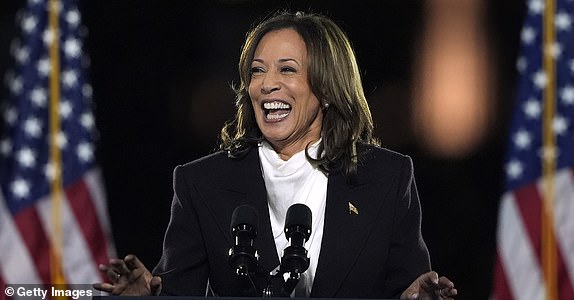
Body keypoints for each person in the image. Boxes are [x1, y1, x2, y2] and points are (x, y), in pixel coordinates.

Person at [94, 10, 457, 299]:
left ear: (327, 88)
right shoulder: (201, 182)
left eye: (287, 69)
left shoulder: (387, 178)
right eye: (257, 71)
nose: (267, 84)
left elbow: (408, 287)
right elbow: (177, 291)